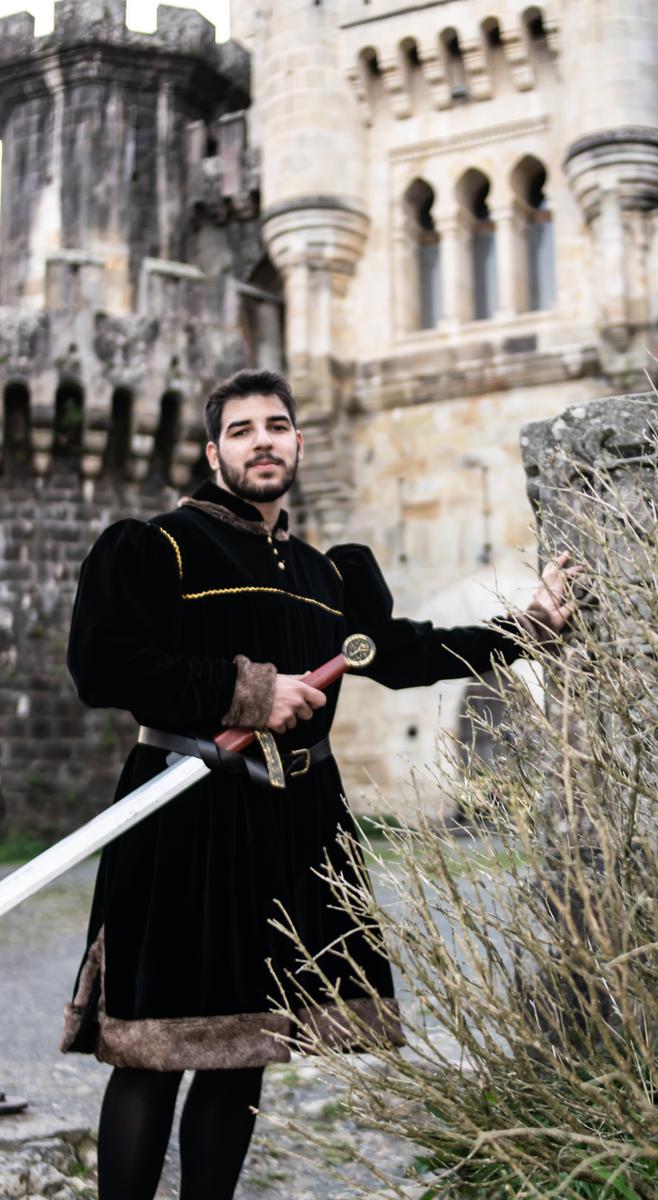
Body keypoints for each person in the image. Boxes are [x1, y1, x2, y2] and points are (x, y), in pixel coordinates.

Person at [62, 369, 579, 1200]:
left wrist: (524, 629)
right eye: (240, 431)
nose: (261, 441)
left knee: (247, 1049)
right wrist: (246, 692)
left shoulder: (325, 573)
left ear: (298, 443)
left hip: (294, 820)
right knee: (156, 1050)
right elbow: (103, 664)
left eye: (276, 426)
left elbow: (404, 654)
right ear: (213, 454)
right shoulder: (159, 546)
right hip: (186, 812)